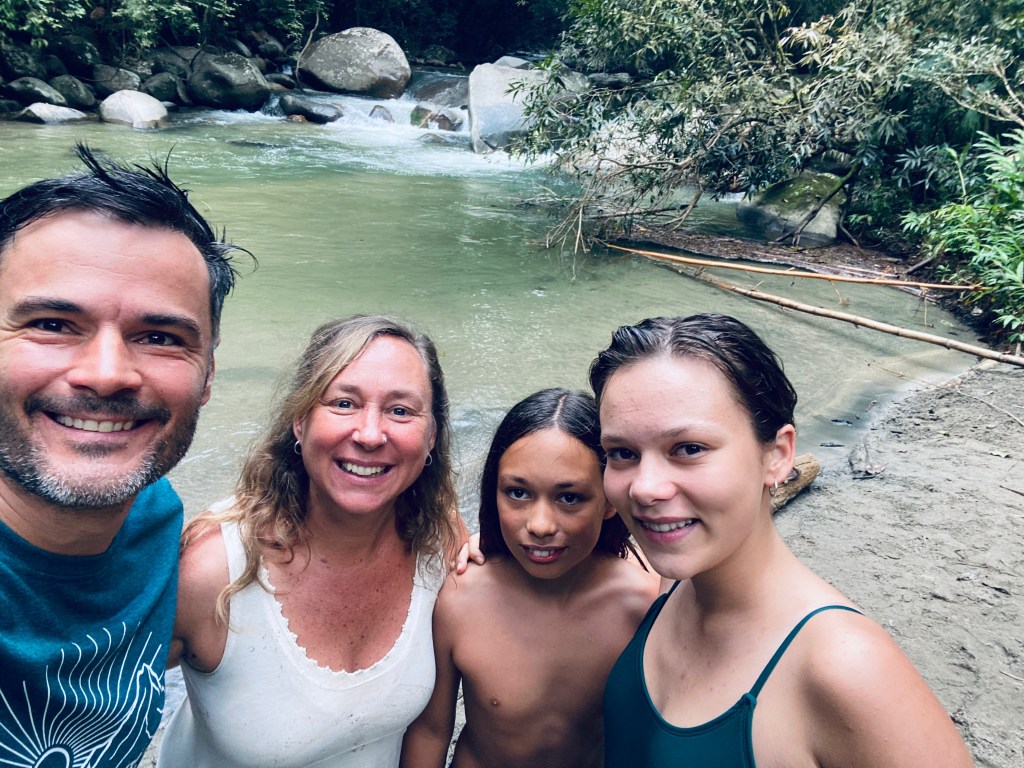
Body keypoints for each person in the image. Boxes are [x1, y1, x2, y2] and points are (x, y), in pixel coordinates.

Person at [591, 314, 975, 767]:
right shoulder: (674, 580)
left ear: (778, 455)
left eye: (689, 448)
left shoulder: (847, 668)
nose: (644, 488)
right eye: (622, 453)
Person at [0, 145, 240, 767]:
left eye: (159, 337)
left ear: (208, 375)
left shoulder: (154, 513)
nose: (107, 375)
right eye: (52, 324)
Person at [158, 314, 466, 768]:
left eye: (401, 411)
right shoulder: (214, 569)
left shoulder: (438, 540)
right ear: (300, 421)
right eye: (343, 403)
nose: (369, 434)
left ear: (431, 437)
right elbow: (91, 704)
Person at [401, 388, 660, 768]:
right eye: (518, 493)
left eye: (569, 498)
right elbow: (430, 731)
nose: (540, 525)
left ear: (609, 499)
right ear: (494, 492)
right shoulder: (460, 597)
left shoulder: (644, 605)